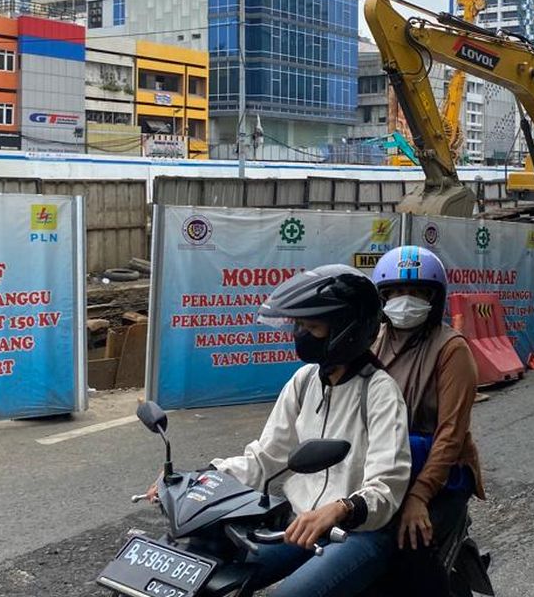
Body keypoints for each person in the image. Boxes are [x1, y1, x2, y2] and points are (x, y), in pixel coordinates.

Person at [204, 265, 412, 597]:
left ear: (348, 331)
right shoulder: (304, 382)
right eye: (299, 325)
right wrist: (206, 478)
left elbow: (386, 486)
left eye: (311, 326)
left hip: (358, 531)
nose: (300, 334)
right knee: (210, 568)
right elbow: (266, 456)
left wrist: (342, 508)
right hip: (301, 522)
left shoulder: (379, 391)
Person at [370, 246, 484, 597]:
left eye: (417, 292)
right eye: (396, 293)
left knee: (408, 546)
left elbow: (451, 434)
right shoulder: (375, 343)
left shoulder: (451, 349)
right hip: (387, 462)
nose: (405, 301)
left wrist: (419, 495)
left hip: (442, 471)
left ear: (433, 299)